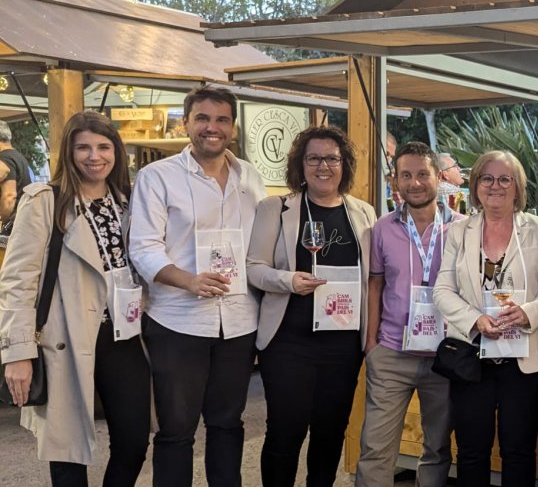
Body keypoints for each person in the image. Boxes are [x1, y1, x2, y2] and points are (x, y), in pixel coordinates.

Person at [0, 112, 150, 486]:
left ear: (117, 151)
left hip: (124, 334)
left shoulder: (129, 201)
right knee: (67, 451)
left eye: (103, 146)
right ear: (68, 152)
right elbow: (17, 281)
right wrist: (17, 353)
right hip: (65, 336)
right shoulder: (45, 201)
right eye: (83, 147)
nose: (93, 156)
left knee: (133, 440)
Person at [129, 87, 268, 487]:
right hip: (178, 321)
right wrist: (187, 280)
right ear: (186, 123)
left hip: (239, 321)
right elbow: (143, 246)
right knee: (175, 430)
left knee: (228, 424)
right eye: (203, 118)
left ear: (233, 127)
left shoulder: (250, 177)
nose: (212, 127)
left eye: (222, 119)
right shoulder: (158, 177)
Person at [246, 126, 378, 487]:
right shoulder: (277, 208)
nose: (324, 166)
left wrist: (370, 336)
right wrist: (289, 281)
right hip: (289, 342)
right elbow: (254, 269)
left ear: (344, 164)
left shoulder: (363, 213)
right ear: (300, 165)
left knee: (331, 431)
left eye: (332, 158)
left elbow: (371, 278)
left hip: (342, 343)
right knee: (285, 433)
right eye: (314, 158)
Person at [432, 150, 538, 487]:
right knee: (472, 450)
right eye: (487, 178)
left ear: (517, 187)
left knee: (519, 450)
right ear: (475, 186)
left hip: (527, 358)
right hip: (472, 355)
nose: (496, 186)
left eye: (505, 179)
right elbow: (442, 291)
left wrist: (528, 312)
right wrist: (475, 319)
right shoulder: (459, 232)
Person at [357, 141, 461, 487]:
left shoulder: (463, 228)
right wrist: (371, 343)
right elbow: (375, 284)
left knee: (437, 447)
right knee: (375, 446)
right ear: (395, 180)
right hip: (391, 353)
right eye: (406, 175)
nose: (414, 183)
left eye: (422, 174)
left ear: (438, 177)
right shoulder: (382, 229)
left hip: (444, 355)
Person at [0, 119, 34, 235]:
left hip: (13, 225)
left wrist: (3, 224)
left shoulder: (4, 159)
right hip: (24, 220)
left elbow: (9, 196)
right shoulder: (18, 156)